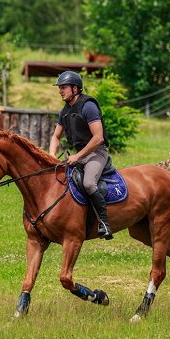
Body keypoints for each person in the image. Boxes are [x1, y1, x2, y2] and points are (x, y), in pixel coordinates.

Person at [49, 71, 113, 240]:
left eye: (63, 88)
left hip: (96, 152)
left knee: (89, 183)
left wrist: (78, 157)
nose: (60, 91)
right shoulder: (65, 111)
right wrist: (51, 155)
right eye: (59, 88)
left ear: (75, 88)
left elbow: (98, 138)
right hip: (80, 154)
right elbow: (56, 136)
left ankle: (104, 223)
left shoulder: (88, 106)